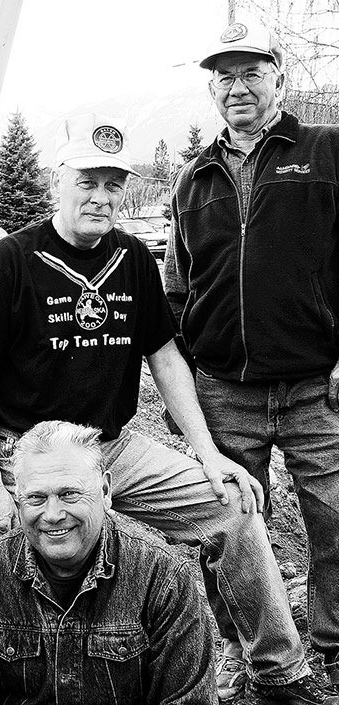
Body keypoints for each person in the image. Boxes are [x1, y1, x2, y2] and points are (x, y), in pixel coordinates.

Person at [0, 112, 334, 704]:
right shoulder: (14, 257)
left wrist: (208, 455)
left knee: (232, 506)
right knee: (60, 556)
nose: (100, 197)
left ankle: (277, 671)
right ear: (61, 179)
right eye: (87, 181)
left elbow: (164, 358)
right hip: (36, 452)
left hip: (115, 446)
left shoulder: (132, 257)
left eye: (113, 184)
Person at [165, 18, 339, 700]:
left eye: (250, 72)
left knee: (334, 521)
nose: (237, 86)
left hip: (313, 388)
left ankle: (328, 646)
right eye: (224, 76)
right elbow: (179, 287)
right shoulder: (191, 178)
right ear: (211, 89)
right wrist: (186, 380)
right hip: (222, 391)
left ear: (278, 78)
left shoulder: (325, 151)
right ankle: (250, 653)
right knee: (227, 530)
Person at [0, 420, 217, 704]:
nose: (53, 514)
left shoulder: (161, 578)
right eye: (36, 498)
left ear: (105, 491)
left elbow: (188, 698)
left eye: (69, 494)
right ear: (18, 498)